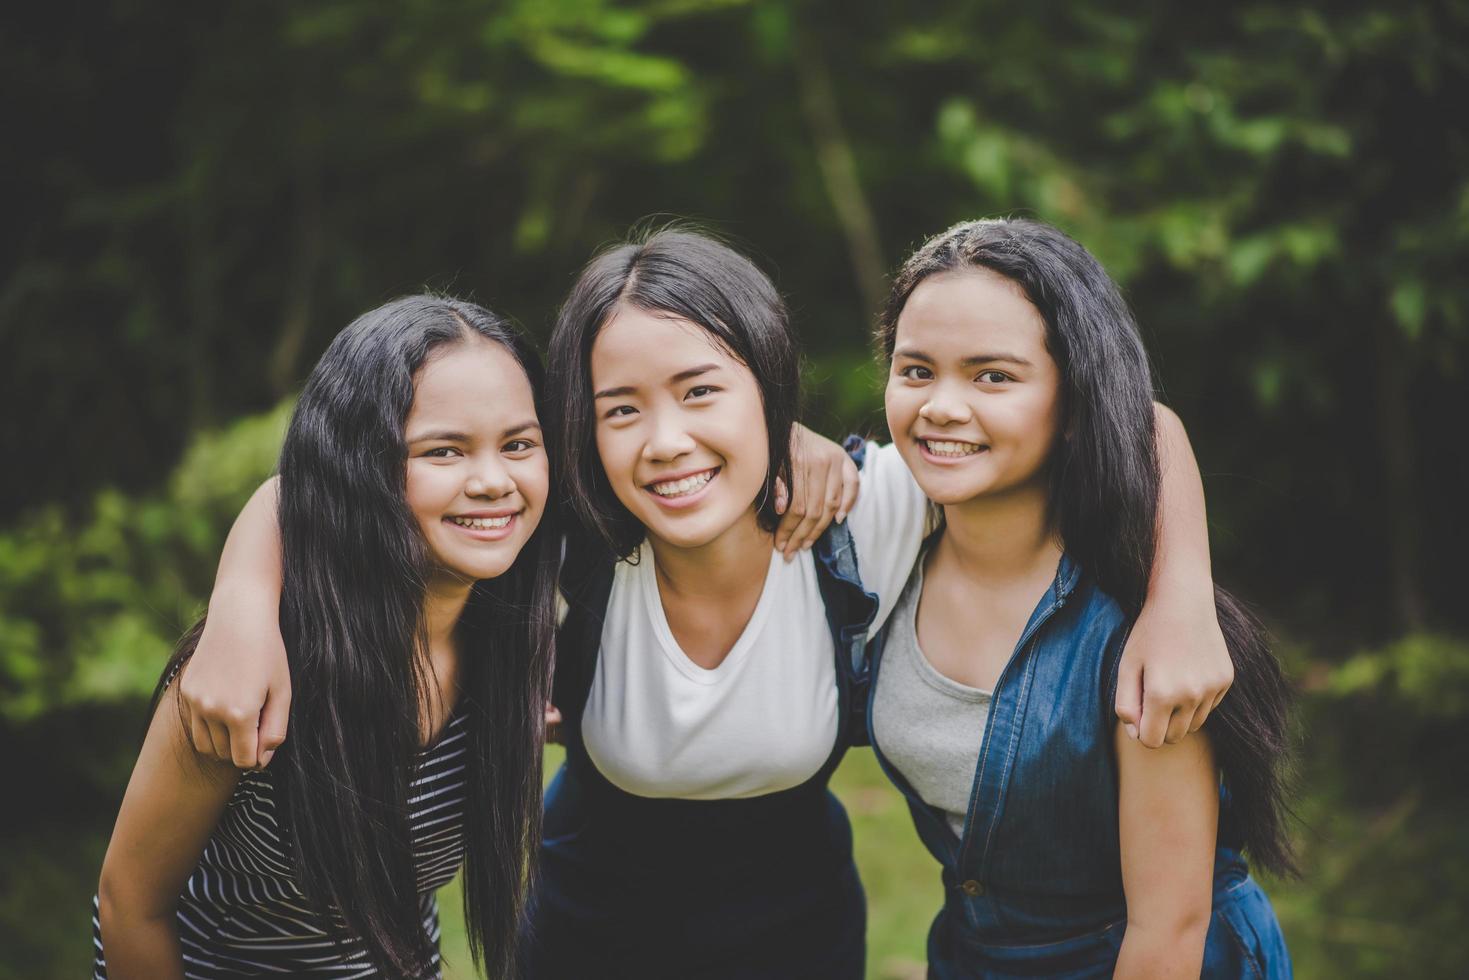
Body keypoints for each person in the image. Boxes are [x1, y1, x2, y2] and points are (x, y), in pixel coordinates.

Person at [178, 227, 1235, 978]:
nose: (666, 441)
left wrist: (1179, 589)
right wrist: (237, 603)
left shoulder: (855, 511)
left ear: (767, 389)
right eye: (619, 408)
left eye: (700, 391)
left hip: (796, 930)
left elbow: (1132, 419)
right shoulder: (572, 533)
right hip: (585, 925)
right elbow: (334, 487)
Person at [868, 218, 1294, 978]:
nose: (939, 406)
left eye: (992, 375)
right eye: (915, 370)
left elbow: (1167, 931)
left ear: (1072, 403)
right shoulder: (882, 547)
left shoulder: (1138, 629)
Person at [93, 296, 558, 979]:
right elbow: (129, 903)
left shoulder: (512, 641)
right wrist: (244, 595)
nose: (493, 481)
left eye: (517, 444)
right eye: (443, 451)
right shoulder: (251, 673)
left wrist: (777, 449)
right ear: (360, 467)